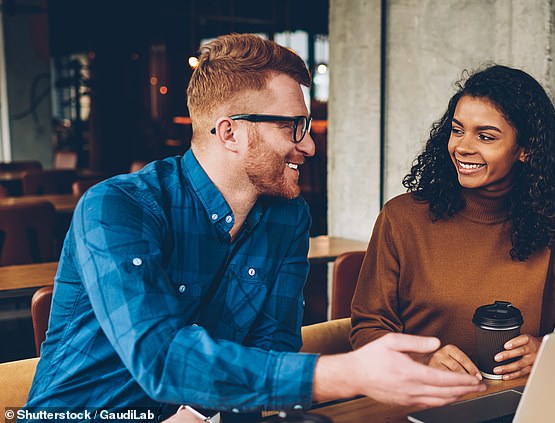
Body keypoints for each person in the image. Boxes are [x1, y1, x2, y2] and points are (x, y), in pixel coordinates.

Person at [22, 34, 485, 422]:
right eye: (293, 127)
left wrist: (205, 413)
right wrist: (348, 373)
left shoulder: (287, 217)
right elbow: (161, 358)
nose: (308, 146)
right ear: (230, 133)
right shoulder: (117, 207)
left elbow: (272, 348)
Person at [350, 64, 555, 382]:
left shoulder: (553, 227)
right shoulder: (402, 219)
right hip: (421, 398)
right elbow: (367, 329)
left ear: (525, 150)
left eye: (485, 136)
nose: (462, 147)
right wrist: (423, 359)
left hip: (515, 404)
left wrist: (549, 351)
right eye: (457, 130)